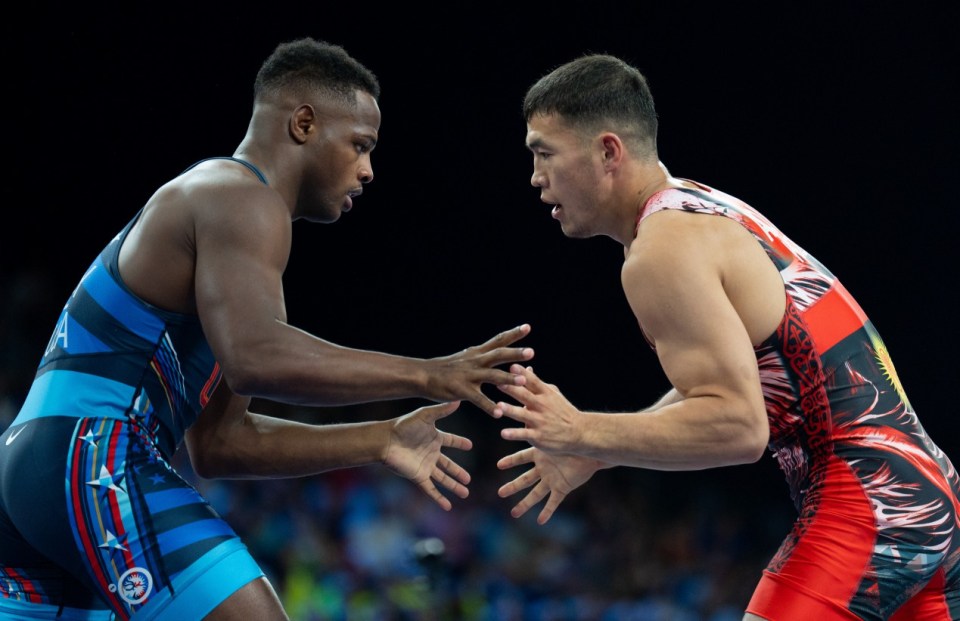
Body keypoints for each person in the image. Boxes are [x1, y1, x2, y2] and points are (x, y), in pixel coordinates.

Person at [0, 37, 534, 621]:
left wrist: (380, 438)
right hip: (94, 458)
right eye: (360, 145)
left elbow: (221, 445)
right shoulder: (239, 196)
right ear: (304, 123)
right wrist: (428, 375)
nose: (368, 169)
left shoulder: (229, 229)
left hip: (36, 473)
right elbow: (257, 358)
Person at [493, 53, 959, 620]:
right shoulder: (701, 206)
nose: (535, 177)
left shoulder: (659, 250)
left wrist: (584, 428)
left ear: (607, 151)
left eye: (544, 153)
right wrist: (596, 450)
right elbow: (732, 379)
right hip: (925, 490)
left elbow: (739, 427)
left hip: (867, 499)